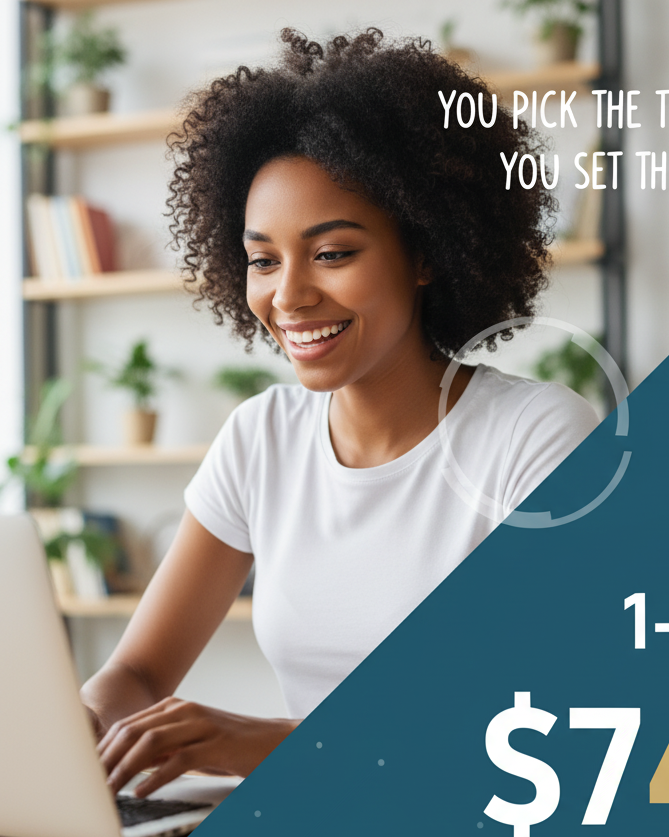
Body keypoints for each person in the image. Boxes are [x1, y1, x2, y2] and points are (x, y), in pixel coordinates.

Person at [82, 28, 598, 797]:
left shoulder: (538, 441)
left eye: (331, 253)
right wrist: (75, 737)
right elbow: (139, 672)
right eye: (263, 259)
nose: (288, 296)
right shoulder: (263, 439)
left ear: (426, 255)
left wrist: (257, 745)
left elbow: (534, 733)